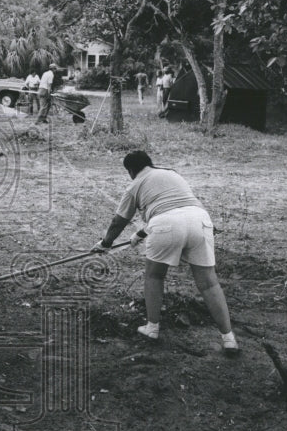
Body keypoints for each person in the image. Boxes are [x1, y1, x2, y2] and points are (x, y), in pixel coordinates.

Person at [92, 150, 239, 356]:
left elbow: (119, 221)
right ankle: (229, 338)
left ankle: (152, 328)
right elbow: (175, 207)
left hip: (165, 223)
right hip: (200, 219)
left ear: (131, 170)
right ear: (150, 164)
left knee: (155, 275)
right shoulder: (172, 173)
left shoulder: (135, 184)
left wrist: (105, 243)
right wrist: (141, 233)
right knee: (209, 283)